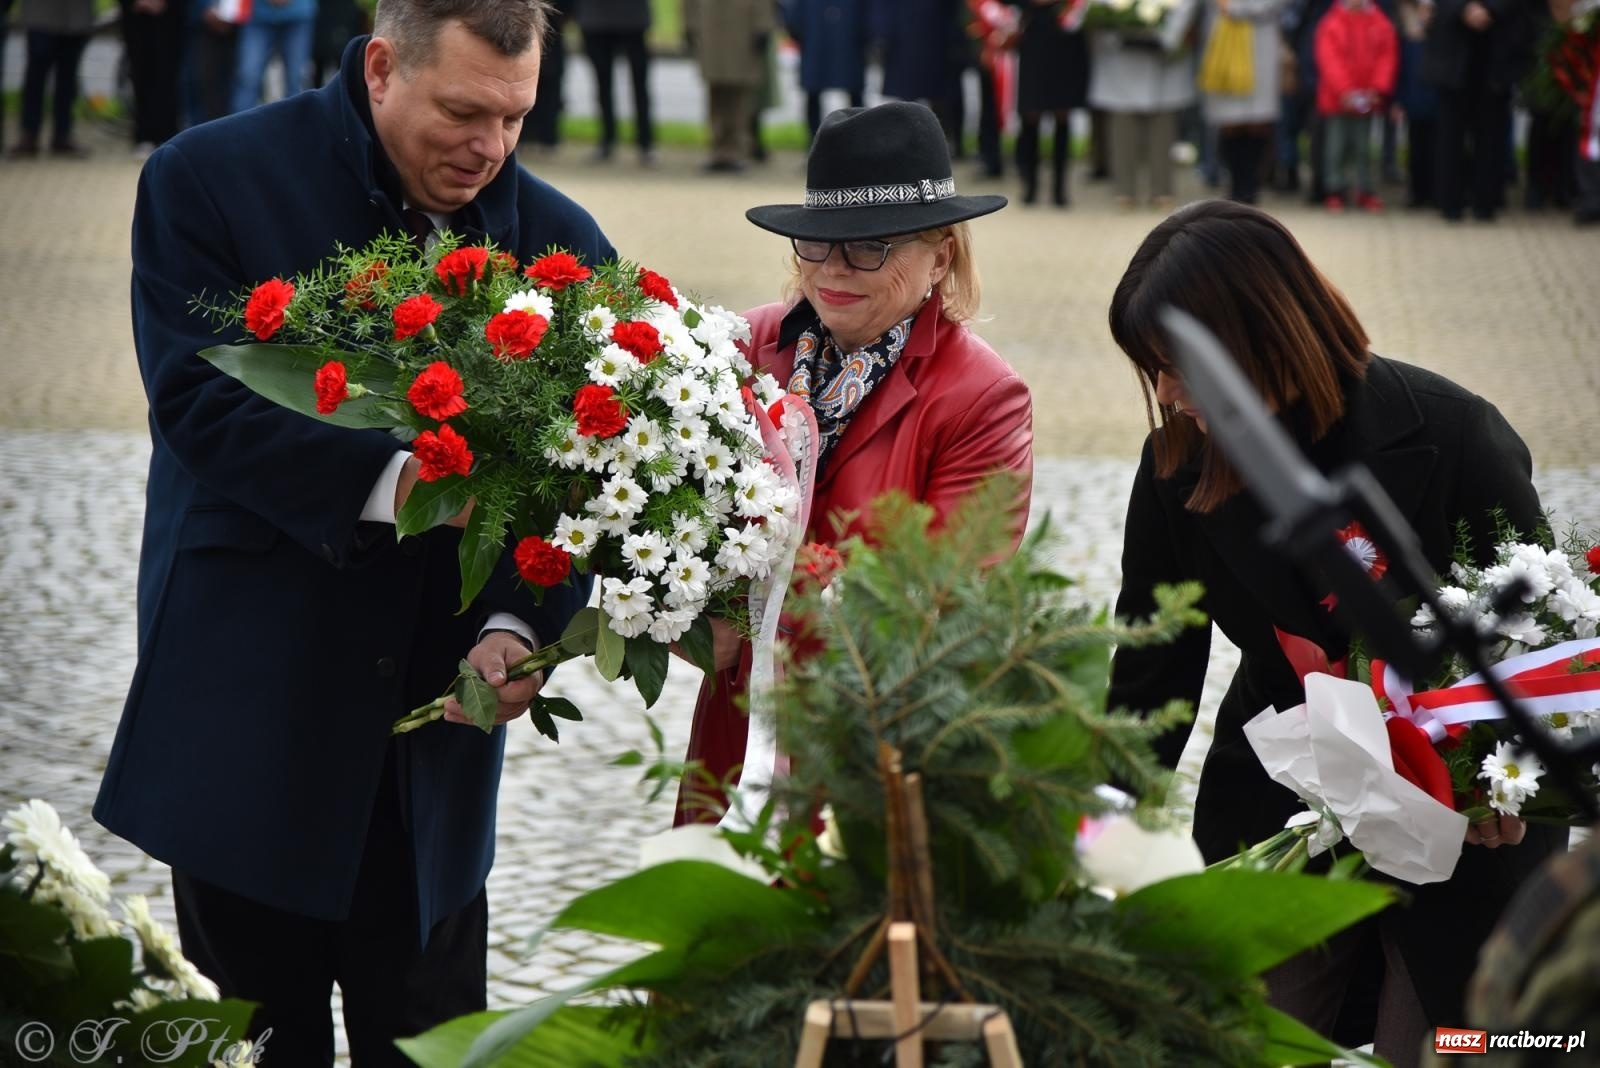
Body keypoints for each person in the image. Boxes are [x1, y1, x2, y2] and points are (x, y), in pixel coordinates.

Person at [92, 2, 614, 1064]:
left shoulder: (563, 247)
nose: (490, 148)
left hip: (434, 766)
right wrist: (412, 485)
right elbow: (200, 402)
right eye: (464, 111)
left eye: (515, 117)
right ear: (381, 67)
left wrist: (522, 622)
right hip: (252, 727)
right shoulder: (208, 178)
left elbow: (588, 494)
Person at [1105, 199, 1564, 1068]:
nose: (1164, 393)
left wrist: (1509, 779)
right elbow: (1153, 671)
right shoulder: (1177, 466)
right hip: (1284, 804)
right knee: (1246, 1039)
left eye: (1175, 367)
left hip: (1463, 830)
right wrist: (1090, 833)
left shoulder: (1454, 434)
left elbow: (1540, 646)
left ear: (1256, 343)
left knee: (1442, 1047)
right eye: (1151, 370)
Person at [676, 101, 1034, 821]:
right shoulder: (744, 346)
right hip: (736, 739)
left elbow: (941, 605)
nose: (834, 268)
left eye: (870, 247)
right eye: (816, 243)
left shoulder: (983, 398)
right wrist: (677, 609)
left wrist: (746, 633)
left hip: (878, 761)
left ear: (942, 255)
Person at [1086, 0, 1203, 210]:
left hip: (1164, 62)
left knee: (1163, 130)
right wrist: (1122, 25)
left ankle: (1162, 189)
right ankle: (1124, 190)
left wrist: (1166, 34)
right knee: (1122, 128)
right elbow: (1097, 10)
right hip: (1120, 60)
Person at [1198, 0, 1290, 203]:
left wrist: (1235, 8)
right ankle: (1235, 184)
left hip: (1260, 41)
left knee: (1258, 121)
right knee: (1229, 121)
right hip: (1223, 40)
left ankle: (1251, 186)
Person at [1314, 0, 1398, 211]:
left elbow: (1387, 57)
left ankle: (1366, 189)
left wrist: (1377, 88)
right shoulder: (1331, 22)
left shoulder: (1380, 22)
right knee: (1336, 147)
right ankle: (1335, 189)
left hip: (1368, 99)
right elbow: (1329, 60)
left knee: (1364, 148)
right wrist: (1345, 91)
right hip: (1337, 100)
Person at [1008, 0, 1090, 206]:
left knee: (1062, 117)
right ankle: (1030, 186)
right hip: (1034, 41)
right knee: (1030, 117)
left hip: (1065, 45)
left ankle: (1060, 188)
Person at [683, 0, 773, 172]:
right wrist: (688, 24)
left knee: (740, 96)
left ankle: (737, 150)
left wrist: (763, 25)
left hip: (743, 28)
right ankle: (718, 149)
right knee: (716, 94)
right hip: (711, 27)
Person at [8, 0, 97, 158]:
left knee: (67, 77)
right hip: (40, 12)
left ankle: (63, 135)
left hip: (75, 14)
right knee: (36, 72)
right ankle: (29, 133)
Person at [576, 0, 655, 164]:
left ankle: (644, 142)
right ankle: (608, 139)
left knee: (639, 84)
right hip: (597, 18)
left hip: (631, 19)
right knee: (603, 85)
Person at [785, 0, 869, 143]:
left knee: (854, 94)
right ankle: (816, 143)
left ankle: (859, 141)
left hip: (834, 46)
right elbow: (793, 21)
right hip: (824, 46)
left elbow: (793, 21)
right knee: (815, 95)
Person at [119, 0, 189, 156]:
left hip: (171, 16)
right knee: (140, 73)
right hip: (136, 16)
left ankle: (169, 134)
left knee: (169, 74)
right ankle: (144, 135)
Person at [230, 0, 318, 114]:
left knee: (297, 79)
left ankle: (298, 128)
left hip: (298, 14)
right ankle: (239, 129)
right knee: (248, 78)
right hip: (256, 15)